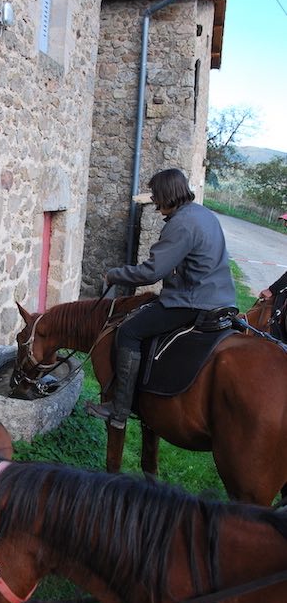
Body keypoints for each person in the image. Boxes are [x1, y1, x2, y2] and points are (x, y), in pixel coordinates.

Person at [86, 168, 237, 429]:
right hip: (221, 297)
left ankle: (119, 410)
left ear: (166, 194)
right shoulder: (202, 213)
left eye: (156, 195)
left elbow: (153, 271)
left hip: (193, 300)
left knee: (129, 331)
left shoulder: (182, 224)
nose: (154, 201)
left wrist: (114, 275)